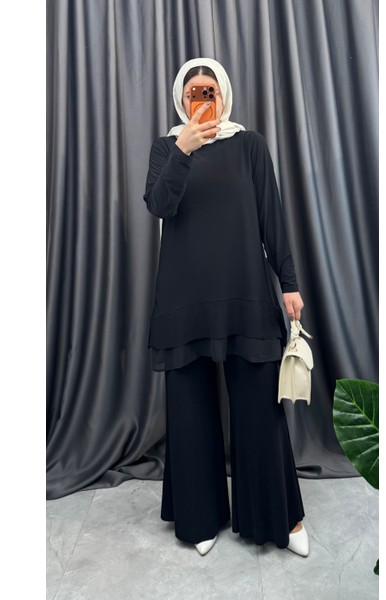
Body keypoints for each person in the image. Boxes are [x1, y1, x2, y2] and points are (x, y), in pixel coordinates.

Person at [143, 57, 309, 557]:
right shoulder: (166, 148)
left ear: (223, 96)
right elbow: (159, 205)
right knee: (190, 411)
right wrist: (184, 150)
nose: (201, 99)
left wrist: (289, 283)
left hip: (245, 291)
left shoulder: (249, 145)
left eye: (209, 91)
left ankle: (283, 518)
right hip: (184, 299)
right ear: (181, 100)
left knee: (260, 408)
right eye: (192, 92)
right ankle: (200, 517)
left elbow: (271, 215)